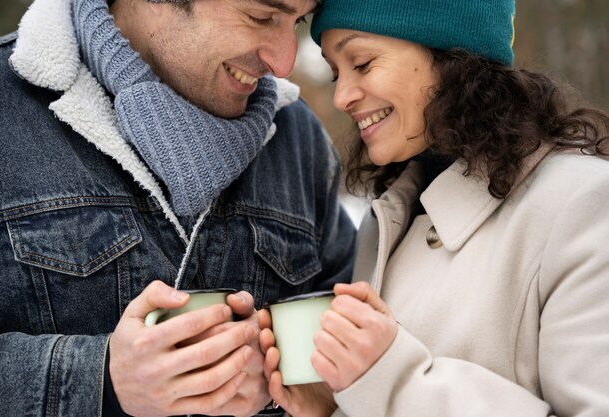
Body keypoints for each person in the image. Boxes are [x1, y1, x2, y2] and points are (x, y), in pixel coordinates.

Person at [0, 0, 356, 415]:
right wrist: (101, 379)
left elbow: (348, 353)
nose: (285, 61)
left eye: (296, 21)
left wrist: (286, 376)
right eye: (261, 17)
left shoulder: (298, 137)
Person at [260, 0, 609, 416]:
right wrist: (335, 406)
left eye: (363, 63)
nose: (341, 97)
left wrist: (393, 382)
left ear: (450, 55)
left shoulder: (583, 205)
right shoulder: (389, 221)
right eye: (336, 73)